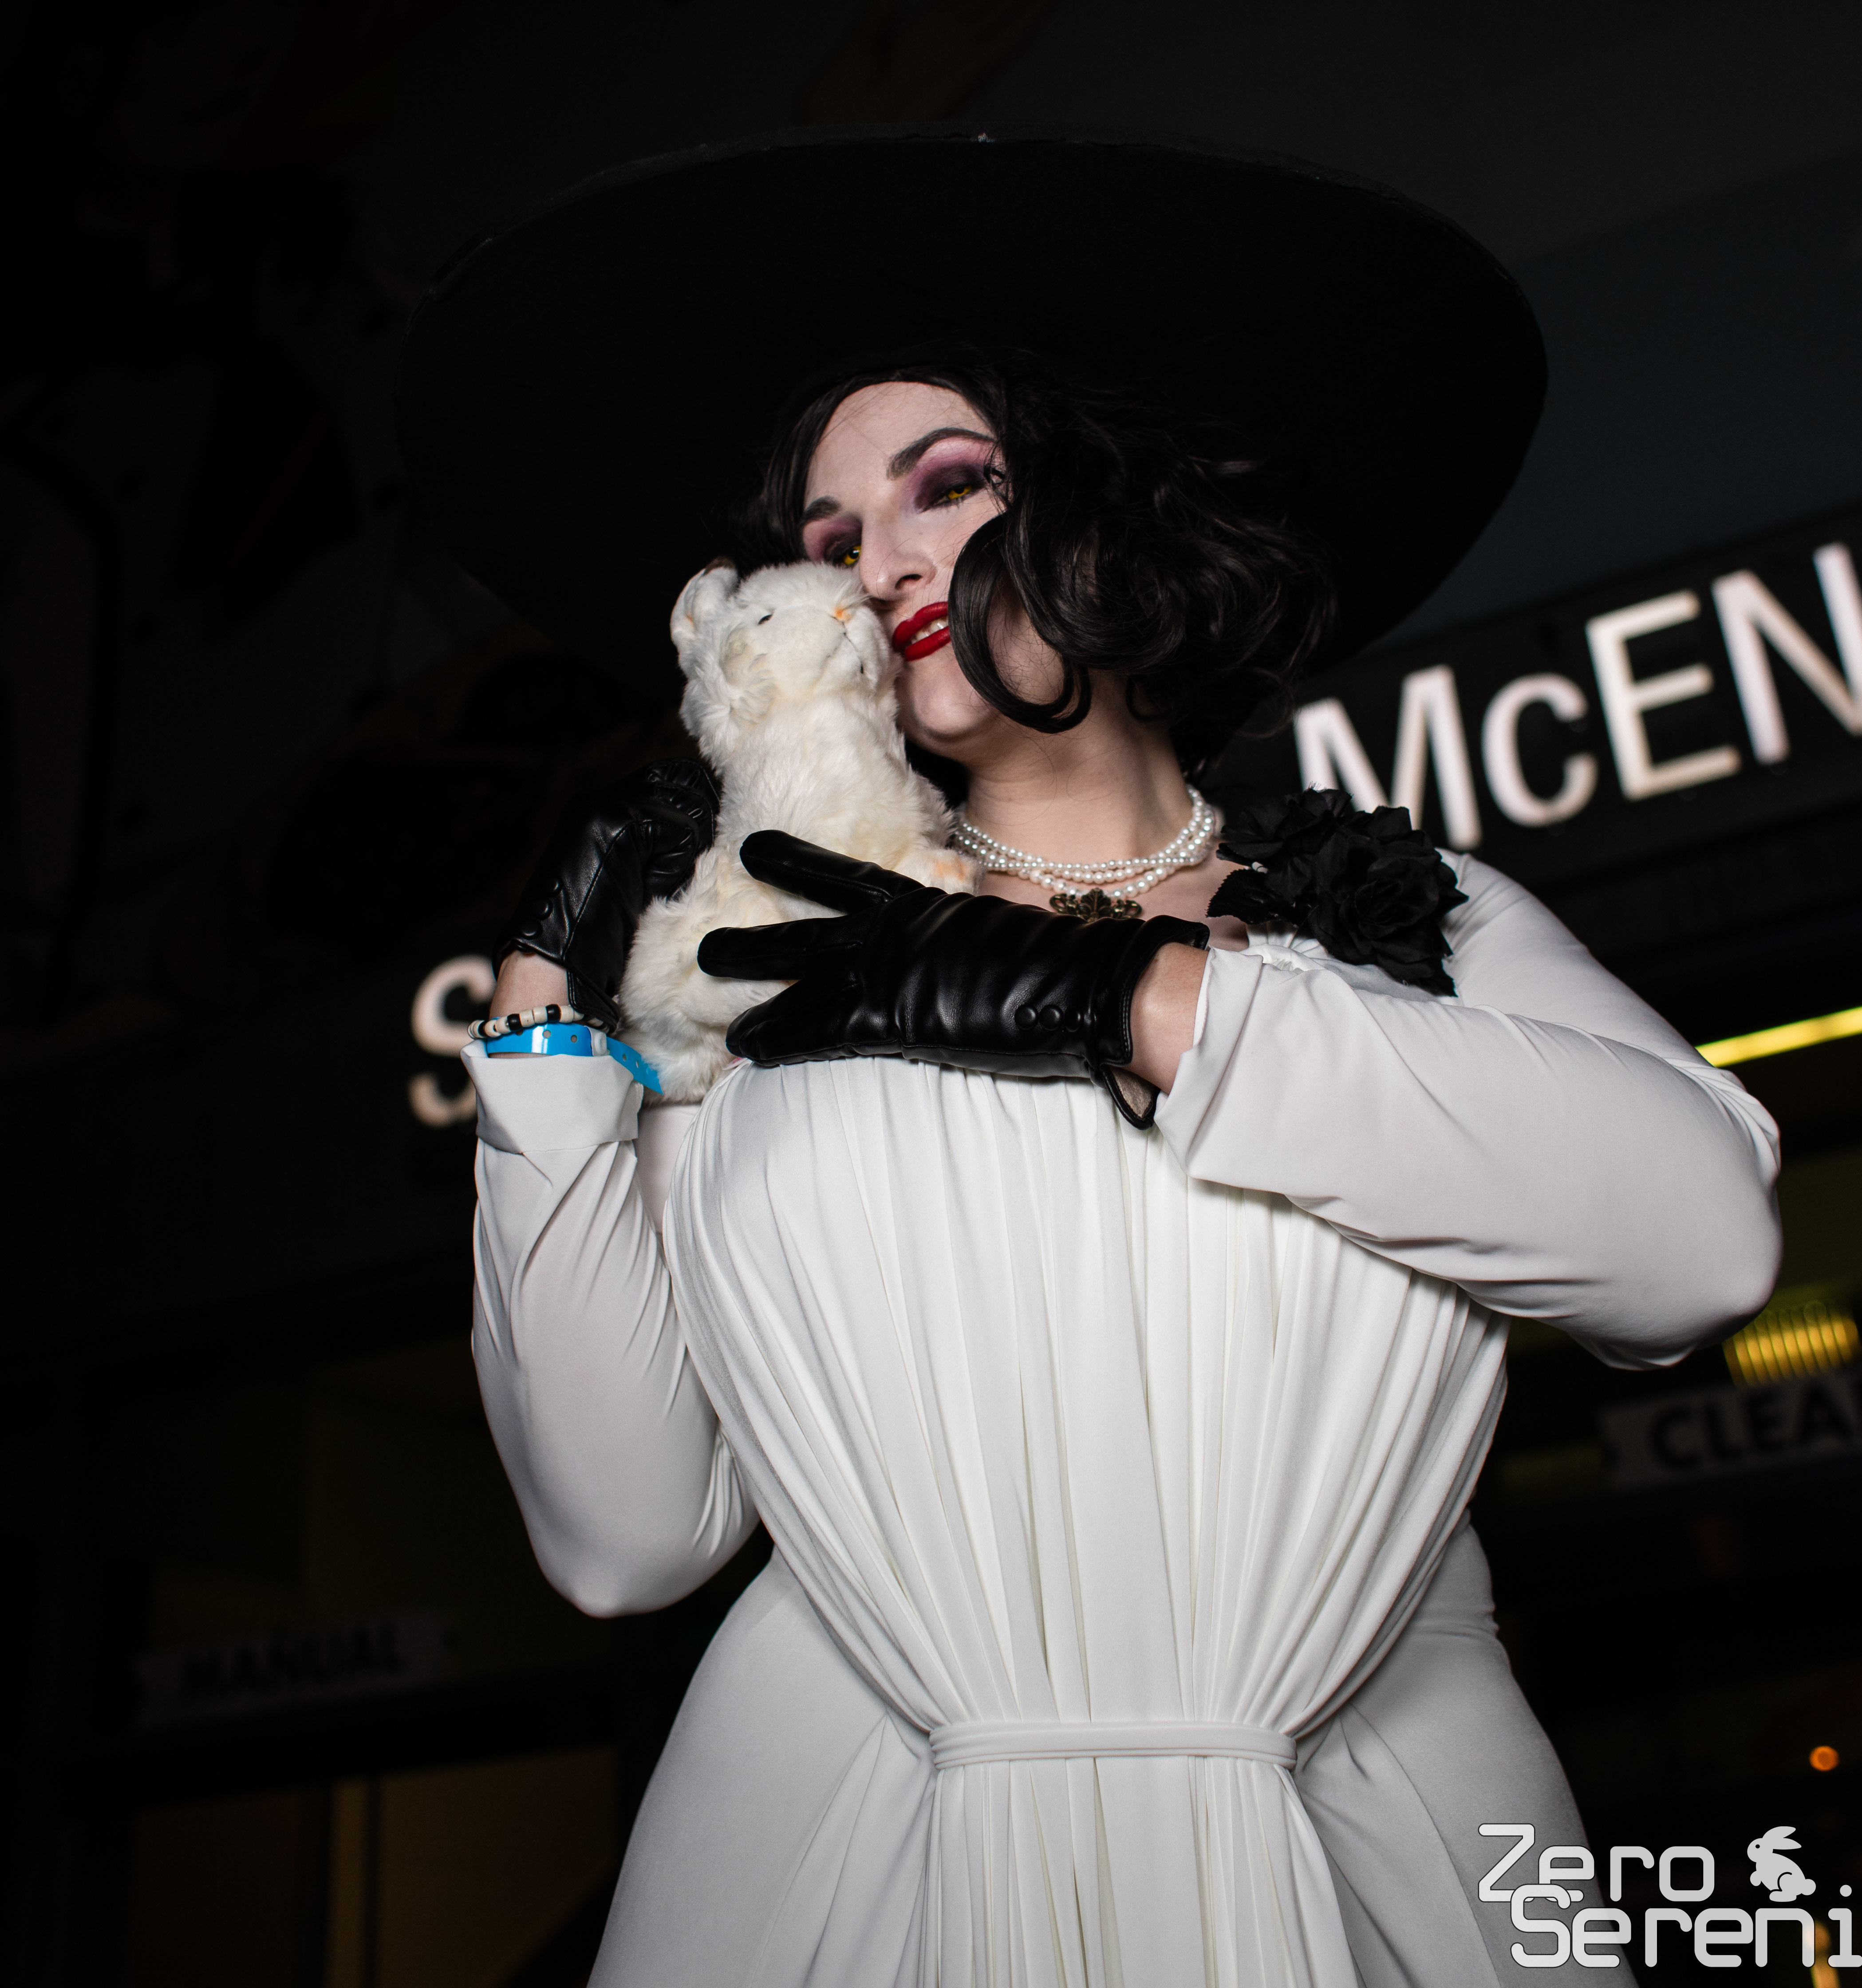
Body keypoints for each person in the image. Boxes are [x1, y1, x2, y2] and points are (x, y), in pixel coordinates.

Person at [400, 132, 1782, 1987]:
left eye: (945, 485)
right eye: (825, 543)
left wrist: (1110, 992)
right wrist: (546, 1006)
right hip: (850, 1861)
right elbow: (624, 1537)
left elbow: (1697, 1248)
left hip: (1378, 1839)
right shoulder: (762, 960)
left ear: (1114, 503)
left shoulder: (1395, 915)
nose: (875, 565)